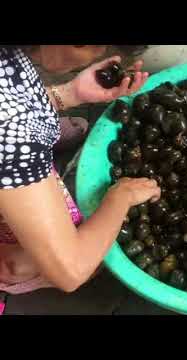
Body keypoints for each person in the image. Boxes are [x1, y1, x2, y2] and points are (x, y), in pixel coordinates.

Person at [0, 45, 161, 295]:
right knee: (46, 259)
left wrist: (70, 93)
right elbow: (71, 270)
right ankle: (13, 272)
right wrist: (122, 195)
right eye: (100, 48)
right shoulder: (11, 133)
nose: (100, 56)